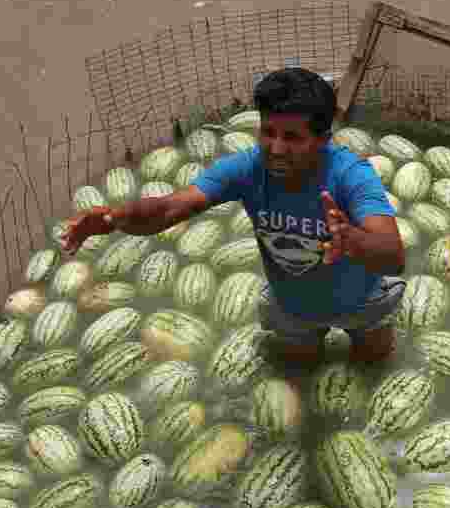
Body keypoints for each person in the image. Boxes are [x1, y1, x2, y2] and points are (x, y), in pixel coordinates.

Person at [58, 67, 407, 365]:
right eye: (268, 132)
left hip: (361, 300)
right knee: (298, 369)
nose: (276, 148)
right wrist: (112, 219)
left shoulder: (351, 174)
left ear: (322, 139)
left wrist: (352, 240)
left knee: (373, 366)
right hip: (293, 305)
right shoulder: (247, 167)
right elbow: (170, 208)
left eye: (292, 137)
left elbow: (393, 255)